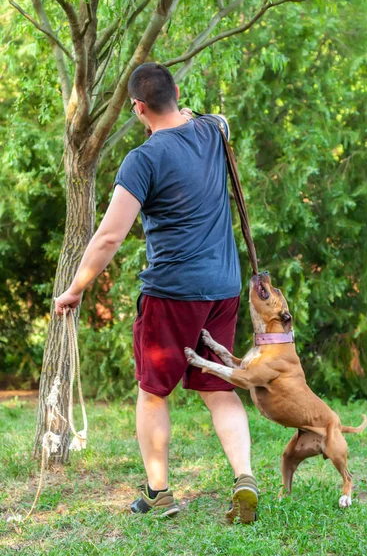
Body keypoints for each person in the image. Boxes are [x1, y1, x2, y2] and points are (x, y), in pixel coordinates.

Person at [55, 62, 258, 523]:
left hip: (172, 292)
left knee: (152, 392)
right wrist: (190, 114)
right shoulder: (212, 130)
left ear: (137, 107)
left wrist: (74, 290)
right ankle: (244, 477)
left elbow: (108, 237)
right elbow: (218, 119)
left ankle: (159, 492)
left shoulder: (141, 160)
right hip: (223, 289)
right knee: (218, 388)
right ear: (179, 92)